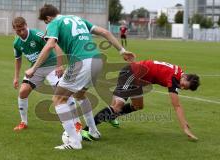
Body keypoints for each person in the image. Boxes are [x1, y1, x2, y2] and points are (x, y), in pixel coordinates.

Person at [25, 4, 135, 150]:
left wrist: (34, 67)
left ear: (48, 18)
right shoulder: (78, 19)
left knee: (58, 99)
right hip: (97, 60)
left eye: (46, 22)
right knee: (79, 94)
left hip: (81, 62)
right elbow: (104, 32)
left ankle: (74, 142)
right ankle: (93, 131)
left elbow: (50, 44)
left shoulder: (54, 23)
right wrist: (122, 50)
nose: (47, 25)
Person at [83, 60, 200, 141]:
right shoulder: (175, 77)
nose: (183, 87)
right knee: (117, 106)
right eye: (184, 85)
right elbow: (177, 106)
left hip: (138, 78)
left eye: (186, 88)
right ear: (185, 77)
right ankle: (87, 130)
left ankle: (112, 116)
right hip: (131, 73)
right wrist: (184, 127)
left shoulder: (179, 72)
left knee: (138, 105)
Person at [12, 17, 79, 131]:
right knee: (23, 92)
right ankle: (23, 122)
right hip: (36, 68)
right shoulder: (17, 43)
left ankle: (77, 123)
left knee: (64, 94)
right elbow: (18, 59)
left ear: (26, 25)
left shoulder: (37, 35)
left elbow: (55, 45)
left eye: (23, 29)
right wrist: (16, 77)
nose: (21, 32)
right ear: (14, 29)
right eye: (18, 30)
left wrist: (59, 64)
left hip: (52, 66)